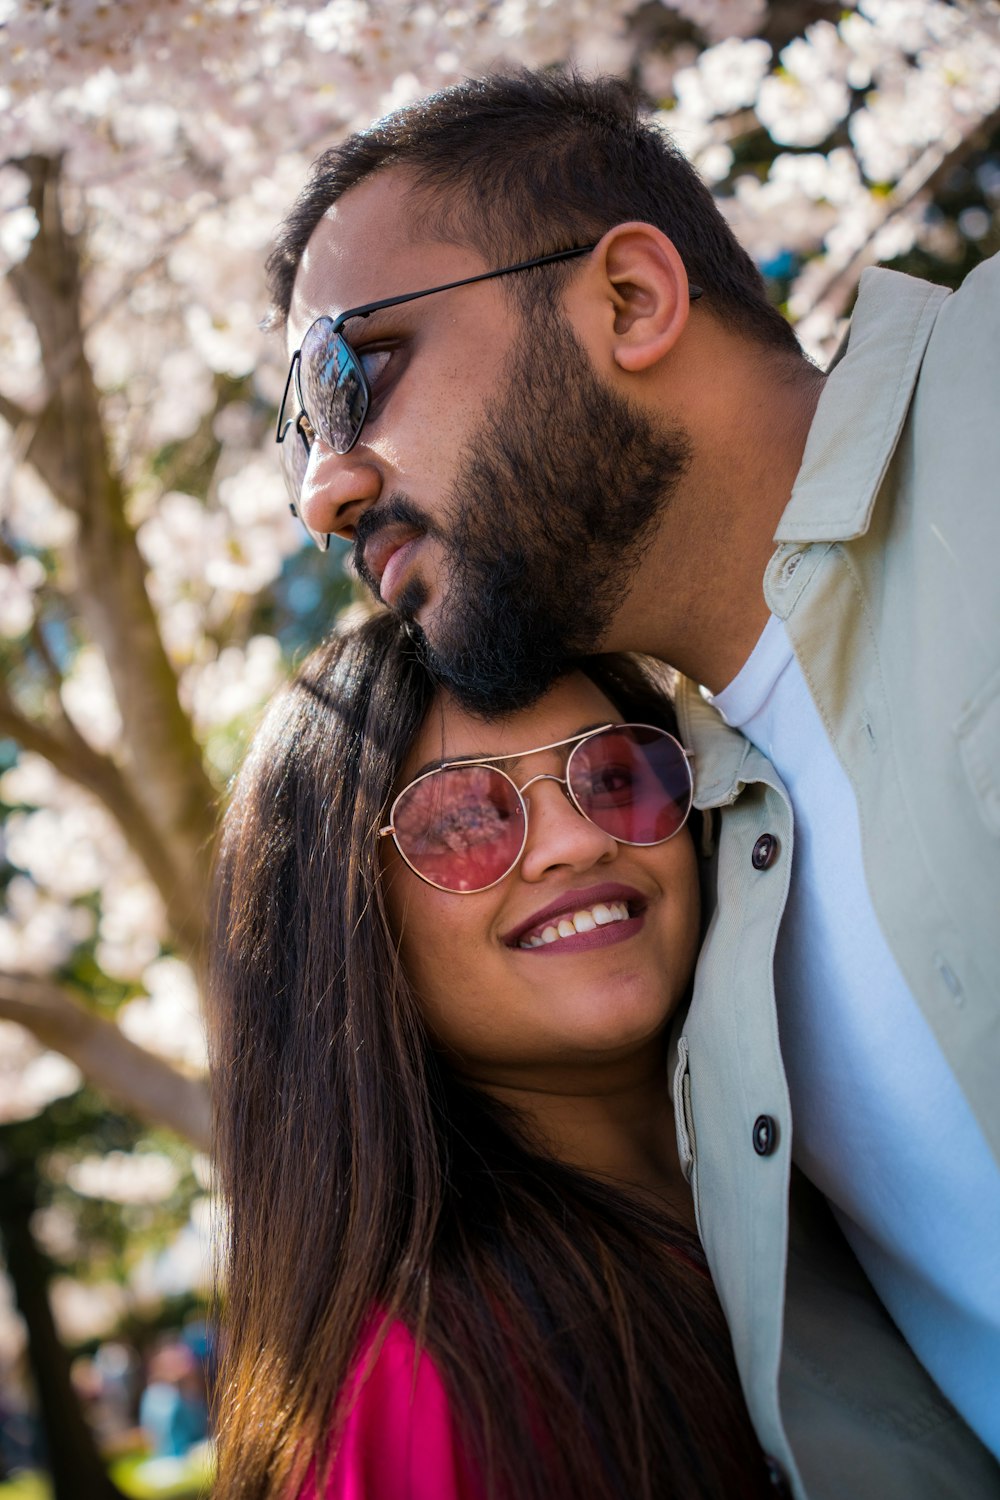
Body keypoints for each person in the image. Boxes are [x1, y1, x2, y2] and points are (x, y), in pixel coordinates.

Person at [262, 69, 1000, 1493]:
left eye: (355, 371)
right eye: (303, 431)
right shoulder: (694, 869)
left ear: (630, 300)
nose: (324, 491)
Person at [209, 612, 777, 1500]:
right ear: (348, 925)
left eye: (614, 774)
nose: (579, 839)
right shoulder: (415, 1393)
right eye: (461, 819)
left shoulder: (834, 1162)